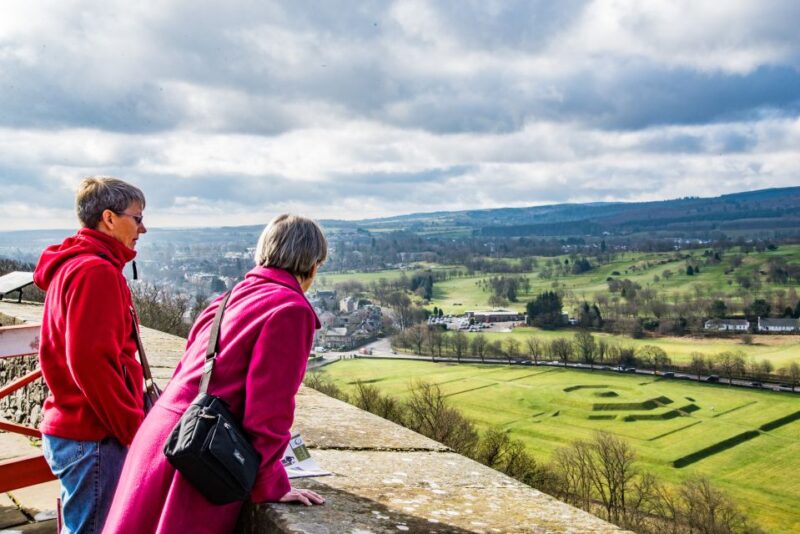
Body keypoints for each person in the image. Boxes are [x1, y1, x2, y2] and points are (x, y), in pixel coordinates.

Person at [103, 214, 327, 534]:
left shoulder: (229, 298)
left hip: (164, 434)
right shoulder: (290, 309)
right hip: (200, 453)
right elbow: (268, 411)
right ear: (313, 264)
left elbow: (189, 367)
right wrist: (270, 484)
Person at [34, 177, 148, 534]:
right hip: (93, 435)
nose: (143, 228)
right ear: (109, 219)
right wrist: (133, 429)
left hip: (75, 429)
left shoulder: (75, 264)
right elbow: (90, 363)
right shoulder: (96, 272)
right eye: (137, 217)